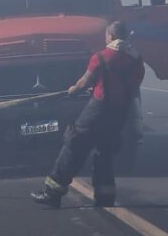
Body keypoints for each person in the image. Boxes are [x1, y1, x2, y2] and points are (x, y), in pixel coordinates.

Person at [32, 21, 144, 208]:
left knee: (73, 144)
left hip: (98, 109)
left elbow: (84, 82)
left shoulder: (101, 56)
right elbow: (134, 85)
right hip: (120, 113)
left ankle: (52, 193)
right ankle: (105, 197)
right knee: (105, 152)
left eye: (107, 35)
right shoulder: (136, 59)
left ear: (111, 36)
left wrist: (73, 89)